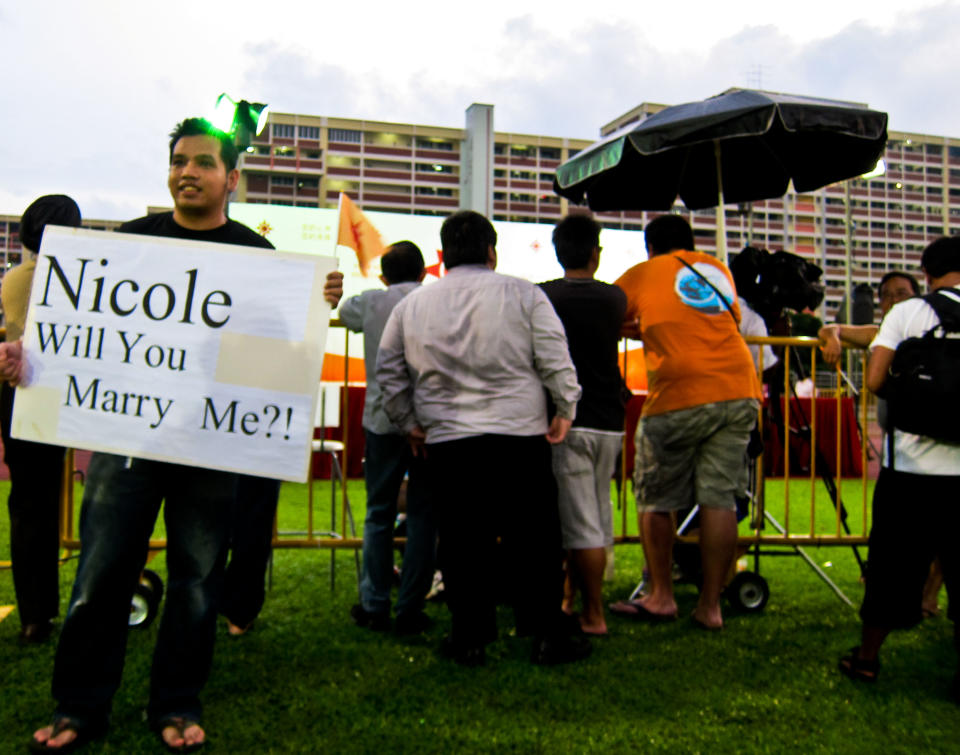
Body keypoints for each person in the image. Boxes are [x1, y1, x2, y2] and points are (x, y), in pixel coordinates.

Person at [24, 118, 344, 753]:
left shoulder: (259, 257)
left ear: (231, 177)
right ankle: (79, 706)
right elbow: (83, 343)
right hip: (128, 445)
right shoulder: (130, 245)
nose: (186, 172)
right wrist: (26, 361)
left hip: (210, 448)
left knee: (198, 579)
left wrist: (315, 307)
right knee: (99, 575)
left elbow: (270, 361)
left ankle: (175, 702)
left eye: (202, 162)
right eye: (178, 161)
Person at [376, 209, 590, 666]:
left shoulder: (412, 305)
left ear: (442, 255)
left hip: (449, 439)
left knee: (460, 539)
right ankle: (546, 632)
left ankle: (469, 635)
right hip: (520, 434)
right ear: (492, 251)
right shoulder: (523, 293)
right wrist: (565, 407)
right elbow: (555, 357)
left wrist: (408, 423)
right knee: (534, 538)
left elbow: (388, 373)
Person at [613, 214, 761, 630]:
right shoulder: (715, 268)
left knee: (656, 497)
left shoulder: (644, 272)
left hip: (678, 393)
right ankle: (710, 606)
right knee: (719, 500)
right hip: (738, 388)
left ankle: (661, 595)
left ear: (649, 247)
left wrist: (641, 327)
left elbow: (609, 311)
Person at [838, 236, 959, 701]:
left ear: (926, 274)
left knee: (892, 567)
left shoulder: (908, 314)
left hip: (911, 468)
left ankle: (867, 658)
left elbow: (873, 379)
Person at [340, 241, 435, 634]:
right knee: (425, 518)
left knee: (378, 514)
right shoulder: (435, 300)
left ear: (383, 276)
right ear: (424, 272)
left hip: (381, 420)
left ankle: (374, 604)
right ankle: (410, 607)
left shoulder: (371, 301)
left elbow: (345, 311)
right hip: (429, 424)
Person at [539, 214, 626, 637]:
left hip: (565, 420)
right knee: (593, 515)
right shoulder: (615, 299)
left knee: (578, 523)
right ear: (595, 253)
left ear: (558, 253)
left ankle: (593, 615)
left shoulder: (542, 297)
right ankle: (574, 599)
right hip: (610, 420)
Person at [0, 195, 81, 644]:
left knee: (30, 505)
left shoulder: (14, 280)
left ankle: (35, 614)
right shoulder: (85, 281)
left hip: (23, 396)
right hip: (76, 395)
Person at [817, 271, 921, 365]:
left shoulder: (929, 331)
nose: (894, 300)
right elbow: (828, 329)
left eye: (901, 294)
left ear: (917, 299)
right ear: (880, 303)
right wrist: (833, 339)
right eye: (887, 295)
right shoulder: (879, 334)